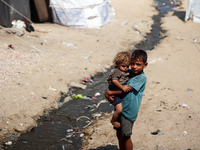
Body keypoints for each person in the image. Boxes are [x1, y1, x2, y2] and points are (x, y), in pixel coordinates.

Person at [105, 49, 148, 150]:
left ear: (145, 65)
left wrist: (109, 93)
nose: (134, 67)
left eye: (138, 64)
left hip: (129, 111)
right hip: (120, 105)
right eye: (132, 64)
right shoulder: (128, 72)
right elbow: (116, 79)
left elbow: (126, 90)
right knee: (119, 133)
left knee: (126, 135)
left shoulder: (141, 78)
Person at [107, 51, 132, 128]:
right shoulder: (116, 71)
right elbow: (114, 80)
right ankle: (113, 120)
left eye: (127, 66)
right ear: (117, 64)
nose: (125, 68)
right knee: (119, 109)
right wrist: (122, 87)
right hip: (115, 89)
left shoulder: (124, 70)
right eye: (123, 66)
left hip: (119, 88)